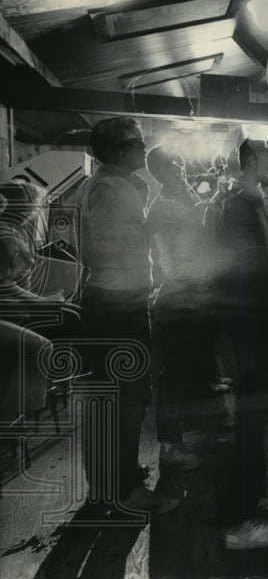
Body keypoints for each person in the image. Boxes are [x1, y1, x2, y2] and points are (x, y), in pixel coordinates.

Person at [72, 117, 178, 514]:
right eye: (136, 142)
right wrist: (151, 227)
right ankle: (123, 492)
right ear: (117, 150)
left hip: (114, 301)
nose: (144, 148)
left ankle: (110, 487)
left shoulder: (112, 185)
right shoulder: (110, 189)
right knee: (127, 400)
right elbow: (102, 250)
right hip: (117, 305)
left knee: (115, 399)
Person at [214, 140, 268, 549]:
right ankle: (238, 519)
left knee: (255, 415)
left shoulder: (256, 202)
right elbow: (245, 270)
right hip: (251, 323)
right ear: (253, 162)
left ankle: (247, 504)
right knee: (250, 417)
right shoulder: (240, 207)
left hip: (260, 321)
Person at [145, 146, 213, 472]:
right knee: (173, 375)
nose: (181, 169)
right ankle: (170, 447)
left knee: (189, 370)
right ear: (161, 171)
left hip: (192, 296)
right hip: (178, 296)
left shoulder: (182, 200)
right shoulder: (164, 207)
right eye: (174, 165)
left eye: (181, 163)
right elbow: (170, 258)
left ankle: (188, 436)